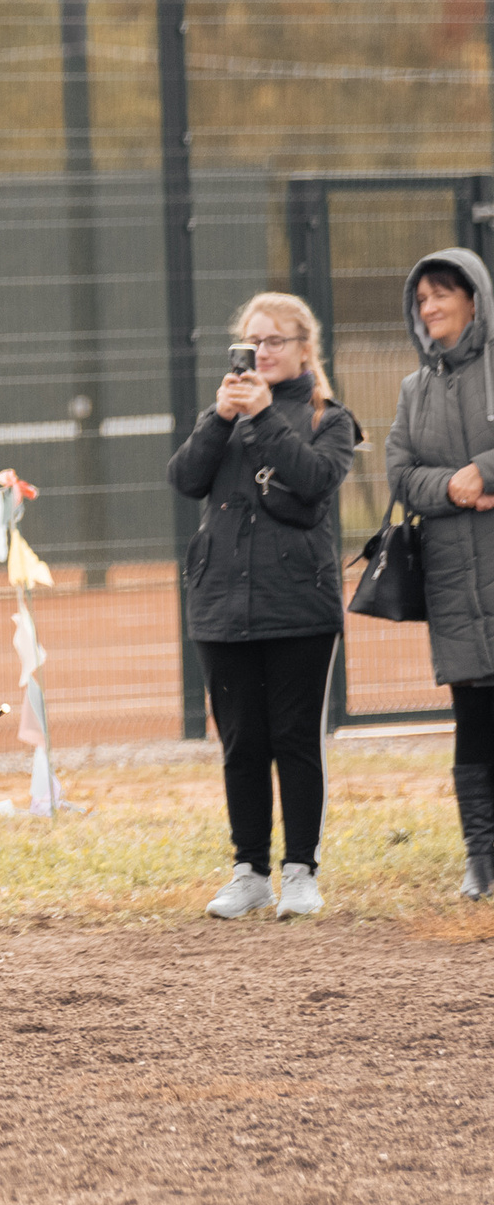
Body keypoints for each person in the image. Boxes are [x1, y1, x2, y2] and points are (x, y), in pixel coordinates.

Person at [169, 292, 359, 921]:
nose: (262, 352)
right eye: (253, 341)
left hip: (297, 605)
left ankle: (301, 870)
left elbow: (313, 479)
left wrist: (263, 418)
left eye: (275, 340)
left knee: (296, 739)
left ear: (305, 348)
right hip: (220, 602)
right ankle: (248, 870)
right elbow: (186, 479)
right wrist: (219, 419)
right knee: (241, 742)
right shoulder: (222, 414)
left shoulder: (328, 418)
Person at [384, 246, 494, 903]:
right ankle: (481, 859)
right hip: (453, 578)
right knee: (473, 719)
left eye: (442, 294)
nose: (429, 307)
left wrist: (486, 468)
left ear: (474, 299)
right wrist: (451, 485)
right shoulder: (412, 389)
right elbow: (398, 474)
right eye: (421, 298)